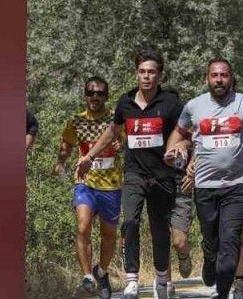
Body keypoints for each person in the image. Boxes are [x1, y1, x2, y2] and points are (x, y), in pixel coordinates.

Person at [78, 48, 184, 299]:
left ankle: (161, 278)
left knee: (159, 229)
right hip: (134, 174)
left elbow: (185, 132)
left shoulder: (170, 103)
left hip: (162, 175)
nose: (146, 76)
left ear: (159, 74)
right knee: (129, 222)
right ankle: (132, 280)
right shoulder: (125, 102)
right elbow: (112, 132)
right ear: (136, 73)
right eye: (142, 71)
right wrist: (89, 156)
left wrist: (182, 146)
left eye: (151, 72)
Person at [166, 60, 243, 299]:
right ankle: (209, 257)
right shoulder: (194, 106)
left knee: (231, 239)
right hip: (205, 186)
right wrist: (172, 150)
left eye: (224, 75)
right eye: (214, 75)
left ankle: (223, 292)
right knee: (212, 240)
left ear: (231, 78)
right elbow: (179, 131)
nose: (219, 79)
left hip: (237, 186)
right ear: (207, 78)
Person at [56, 77, 121, 299]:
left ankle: (101, 272)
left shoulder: (115, 119)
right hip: (85, 182)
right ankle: (87, 277)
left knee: (109, 235)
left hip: (111, 184)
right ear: (85, 95)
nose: (95, 97)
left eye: (100, 93)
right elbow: (67, 145)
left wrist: (119, 144)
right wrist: (61, 161)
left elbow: (125, 142)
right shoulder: (76, 121)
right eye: (91, 93)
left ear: (106, 96)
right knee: (83, 226)